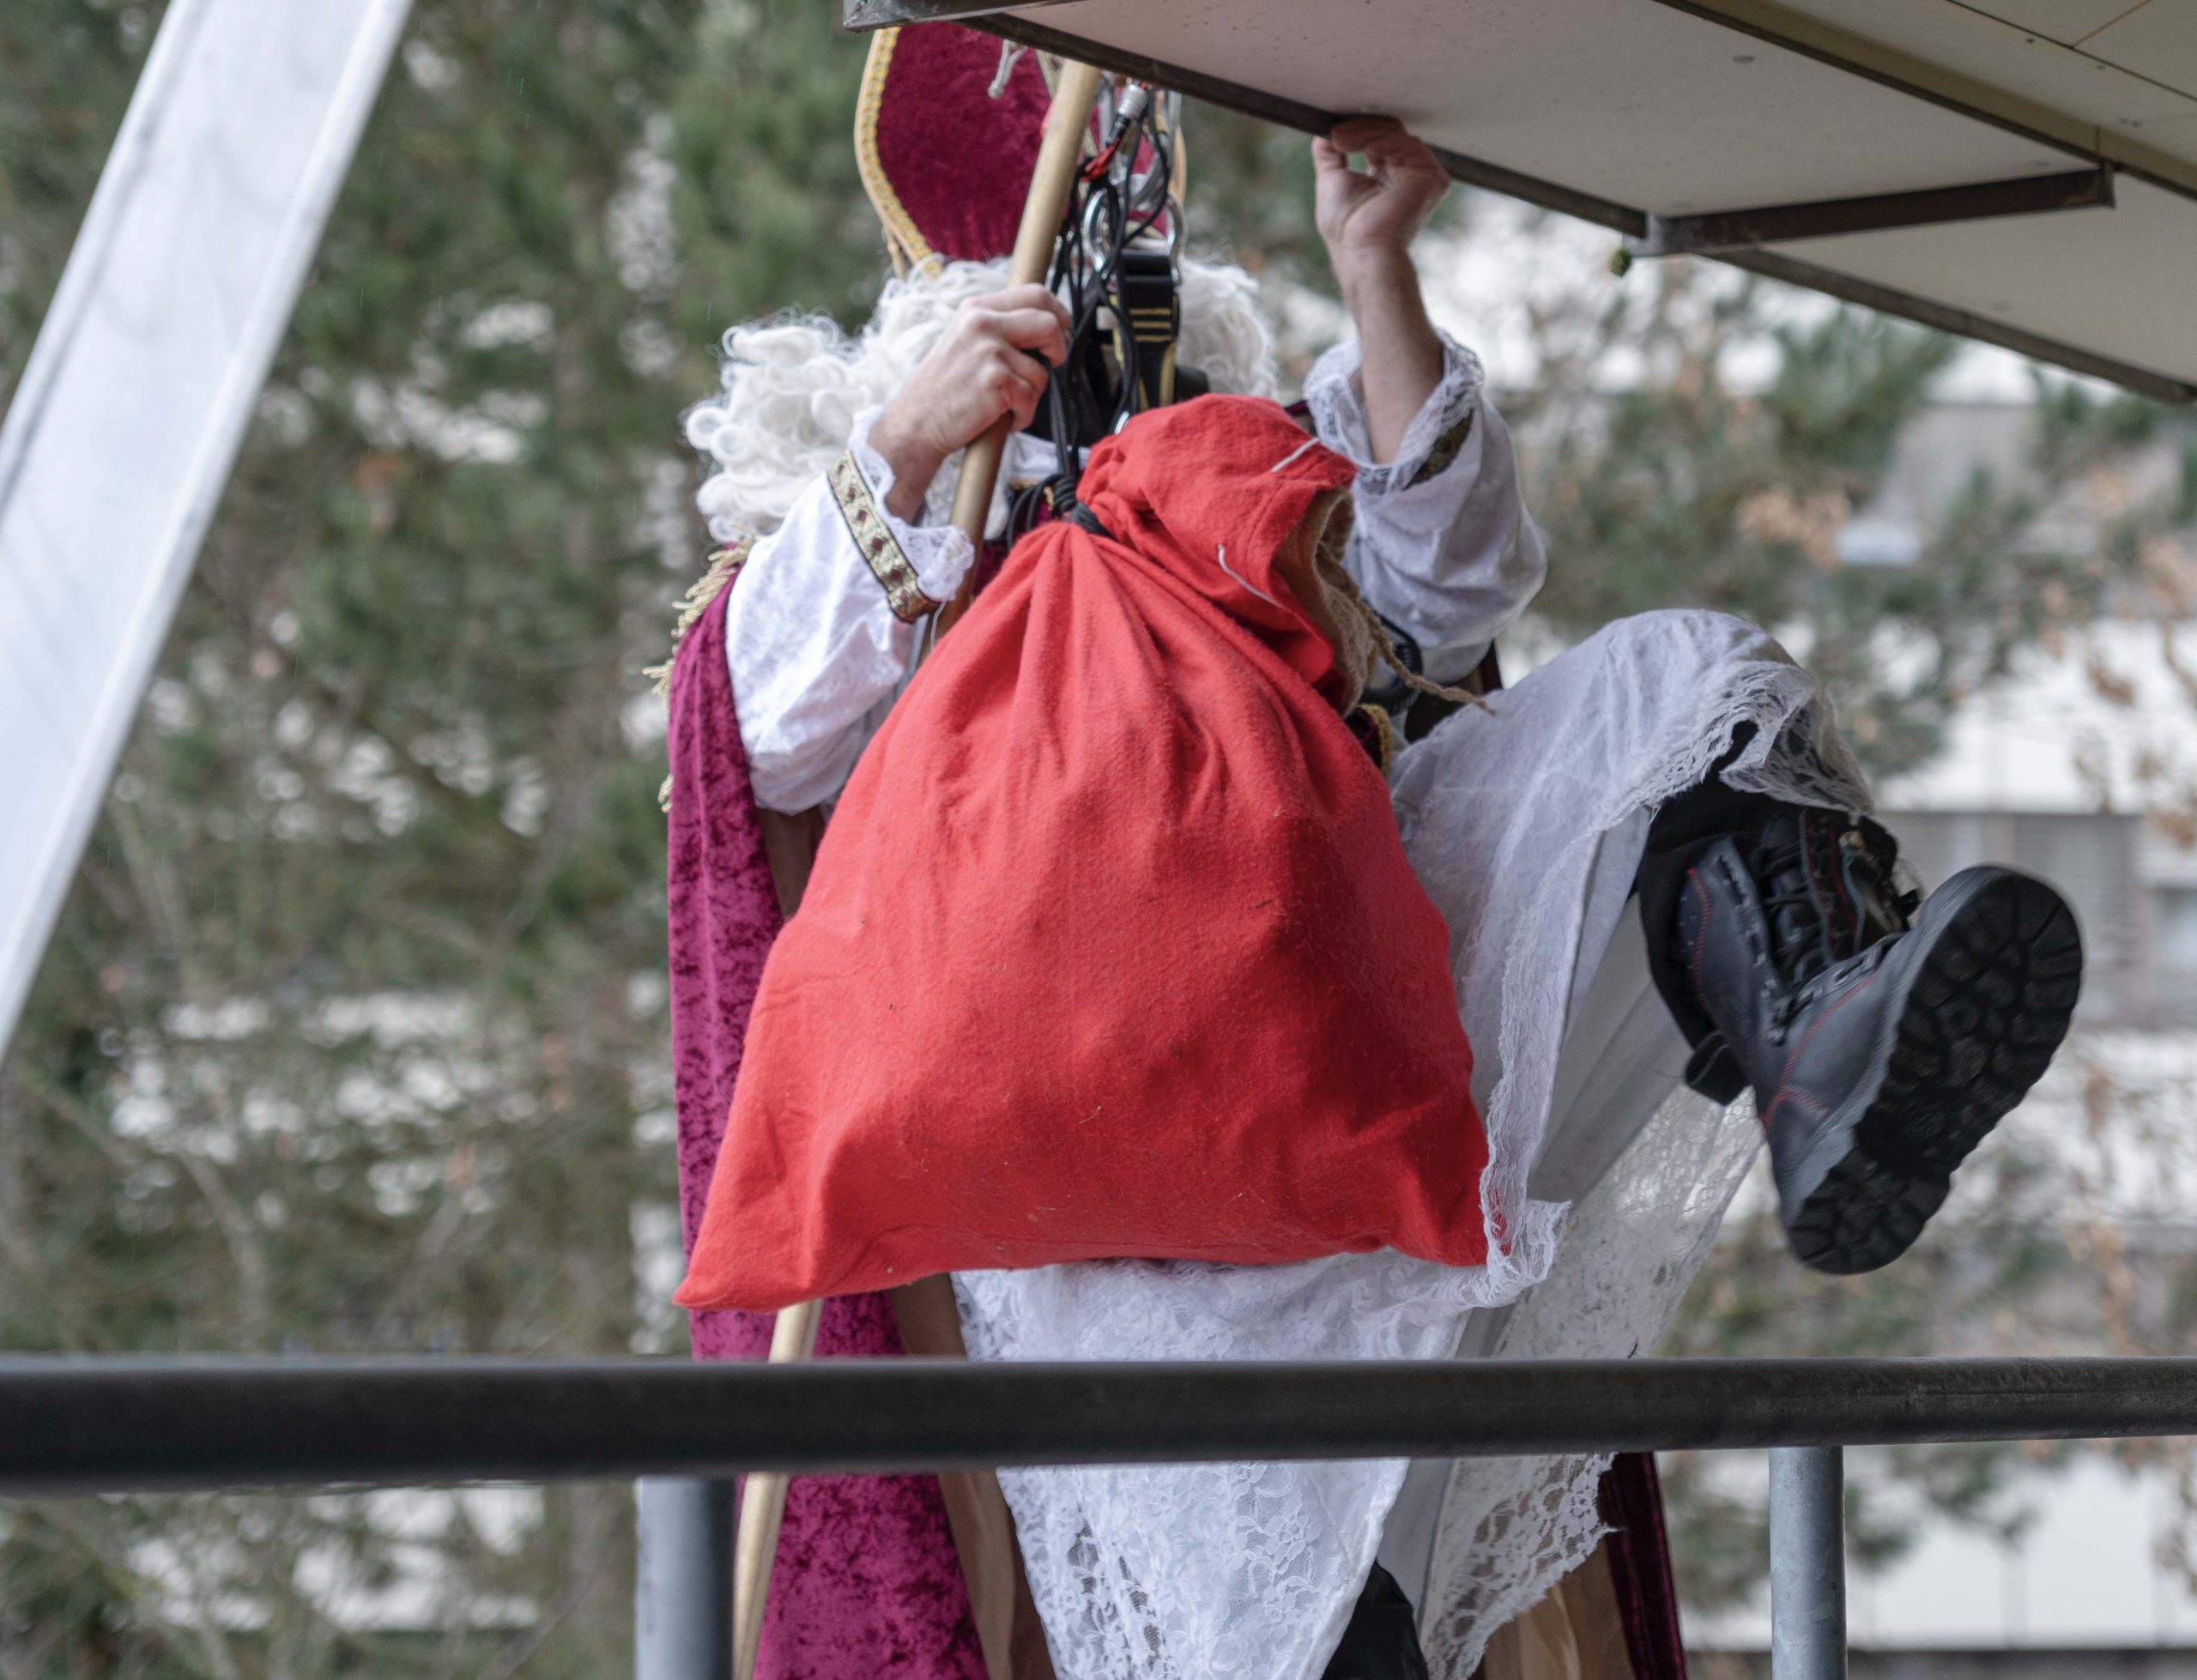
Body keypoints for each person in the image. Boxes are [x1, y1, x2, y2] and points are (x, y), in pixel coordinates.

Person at [674, 113, 2080, 1680]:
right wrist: (914, 453)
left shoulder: (1224, 473)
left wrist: (1374, 265)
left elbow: (1457, 580)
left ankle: (1832, 1044)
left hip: (1356, 1061)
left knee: (1689, 687)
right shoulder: (904, 514)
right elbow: (753, 726)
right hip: (1115, 1220)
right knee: (1319, 1623)